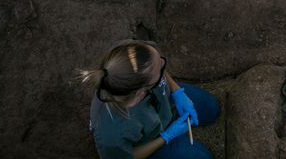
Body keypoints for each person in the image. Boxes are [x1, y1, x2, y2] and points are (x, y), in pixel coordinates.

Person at [81, 40, 221, 159]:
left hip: (165, 104)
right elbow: (129, 156)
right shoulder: (111, 132)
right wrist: (167, 136)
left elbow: (155, 63)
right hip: (150, 140)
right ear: (141, 93)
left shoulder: (127, 53)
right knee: (202, 156)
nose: (162, 62)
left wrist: (177, 92)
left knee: (211, 108)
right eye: (160, 69)